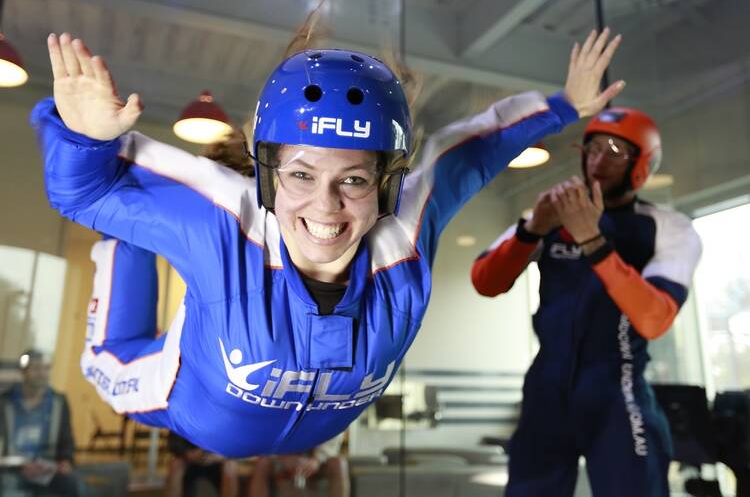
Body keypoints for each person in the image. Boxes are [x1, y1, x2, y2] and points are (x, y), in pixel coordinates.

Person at [32, 26, 623, 457]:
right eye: (301, 176)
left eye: (355, 180)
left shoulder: (406, 235)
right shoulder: (226, 220)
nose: (326, 206)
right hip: (177, 396)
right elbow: (84, 194)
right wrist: (83, 139)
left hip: (300, 431)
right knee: (118, 264)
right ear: (267, 177)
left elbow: (472, 149)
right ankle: (128, 244)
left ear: (387, 184)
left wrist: (564, 106)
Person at [471, 107, 703, 496]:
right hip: (546, 390)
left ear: (642, 164)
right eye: (593, 147)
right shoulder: (546, 217)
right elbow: (485, 282)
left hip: (618, 394)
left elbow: (654, 318)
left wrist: (593, 242)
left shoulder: (667, 227)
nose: (599, 160)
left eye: (616, 151)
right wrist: (532, 231)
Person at [0, 350, 81, 496]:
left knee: (73, 483)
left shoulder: (59, 402)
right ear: (23, 372)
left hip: (48, 469)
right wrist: (19, 466)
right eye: (36, 368)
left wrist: (65, 461)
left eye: (46, 368)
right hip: (11, 470)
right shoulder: (4, 403)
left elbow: (67, 440)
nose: (43, 373)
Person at [248, 434, 348, 497]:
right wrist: (283, 457)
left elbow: (335, 431)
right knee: (263, 463)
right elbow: (264, 437)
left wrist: (317, 459)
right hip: (281, 455)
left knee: (339, 463)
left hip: (316, 457)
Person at [165, 432, 239, 497]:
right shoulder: (181, 417)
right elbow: (174, 443)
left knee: (229, 466)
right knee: (176, 465)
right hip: (188, 460)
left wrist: (221, 458)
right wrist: (187, 455)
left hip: (217, 460)